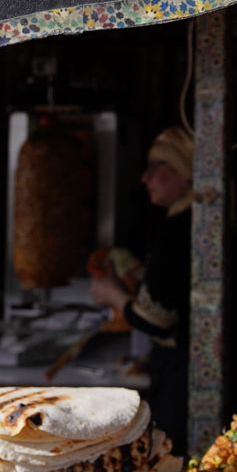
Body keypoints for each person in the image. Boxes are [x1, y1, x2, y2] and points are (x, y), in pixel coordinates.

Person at [90, 126, 193, 450]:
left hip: (183, 379)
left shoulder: (180, 228)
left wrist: (112, 295)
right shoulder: (187, 220)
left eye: (154, 168)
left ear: (183, 171)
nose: (145, 178)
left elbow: (155, 319)